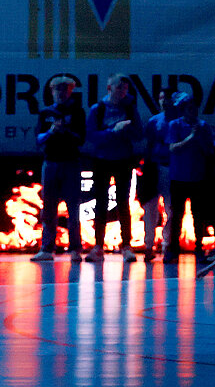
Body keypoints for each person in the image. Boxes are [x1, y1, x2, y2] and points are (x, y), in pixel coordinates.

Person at [84, 75, 144, 261]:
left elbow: (139, 135)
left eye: (125, 89)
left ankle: (126, 246)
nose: (123, 92)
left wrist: (127, 130)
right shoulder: (98, 109)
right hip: (102, 159)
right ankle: (98, 246)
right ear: (109, 88)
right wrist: (113, 131)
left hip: (123, 159)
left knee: (123, 203)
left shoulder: (130, 109)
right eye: (119, 88)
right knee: (100, 203)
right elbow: (91, 136)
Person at [33, 76, 85, 260]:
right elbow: (38, 140)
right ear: (52, 91)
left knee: (73, 208)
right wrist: (51, 132)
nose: (61, 93)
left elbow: (82, 139)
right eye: (57, 89)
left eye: (65, 89)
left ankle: (75, 249)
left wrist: (66, 131)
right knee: (49, 208)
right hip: (51, 163)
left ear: (70, 91)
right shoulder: (45, 113)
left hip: (71, 162)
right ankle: (47, 248)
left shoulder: (78, 112)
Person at [163, 91, 213, 259]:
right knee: (176, 214)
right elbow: (172, 148)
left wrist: (200, 139)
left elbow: (208, 151)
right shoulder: (175, 125)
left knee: (198, 214)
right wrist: (192, 138)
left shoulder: (204, 126)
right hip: (179, 176)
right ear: (183, 110)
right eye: (189, 109)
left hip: (198, 176)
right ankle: (173, 249)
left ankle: (199, 248)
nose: (193, 112)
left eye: (195, 108)